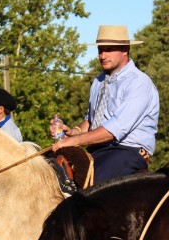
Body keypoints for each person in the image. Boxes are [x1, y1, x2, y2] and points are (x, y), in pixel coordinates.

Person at [50, 25, 159, 184]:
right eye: (100, 49)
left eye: (108, 49)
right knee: (51, 168)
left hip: (128, 151)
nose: (102, 55)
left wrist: (73, 142)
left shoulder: (139, 83)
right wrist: (73, 132)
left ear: (125, 49)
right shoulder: (99, 81)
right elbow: (91, 120)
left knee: (90, 191)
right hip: (98, 150)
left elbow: (114, 130)